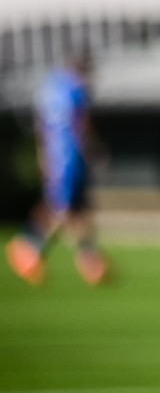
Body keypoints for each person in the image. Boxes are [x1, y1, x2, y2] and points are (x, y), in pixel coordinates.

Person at [6, 49, 112, 287]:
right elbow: (81, 124)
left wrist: (42, 155)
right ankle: (29, 247)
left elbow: (42, 126)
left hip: (56, 156)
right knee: (60, 208)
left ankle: (90, 259)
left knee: (79, 208)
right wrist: (94, 148)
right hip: (69, 158)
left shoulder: (51, 86)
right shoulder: (76, 89)